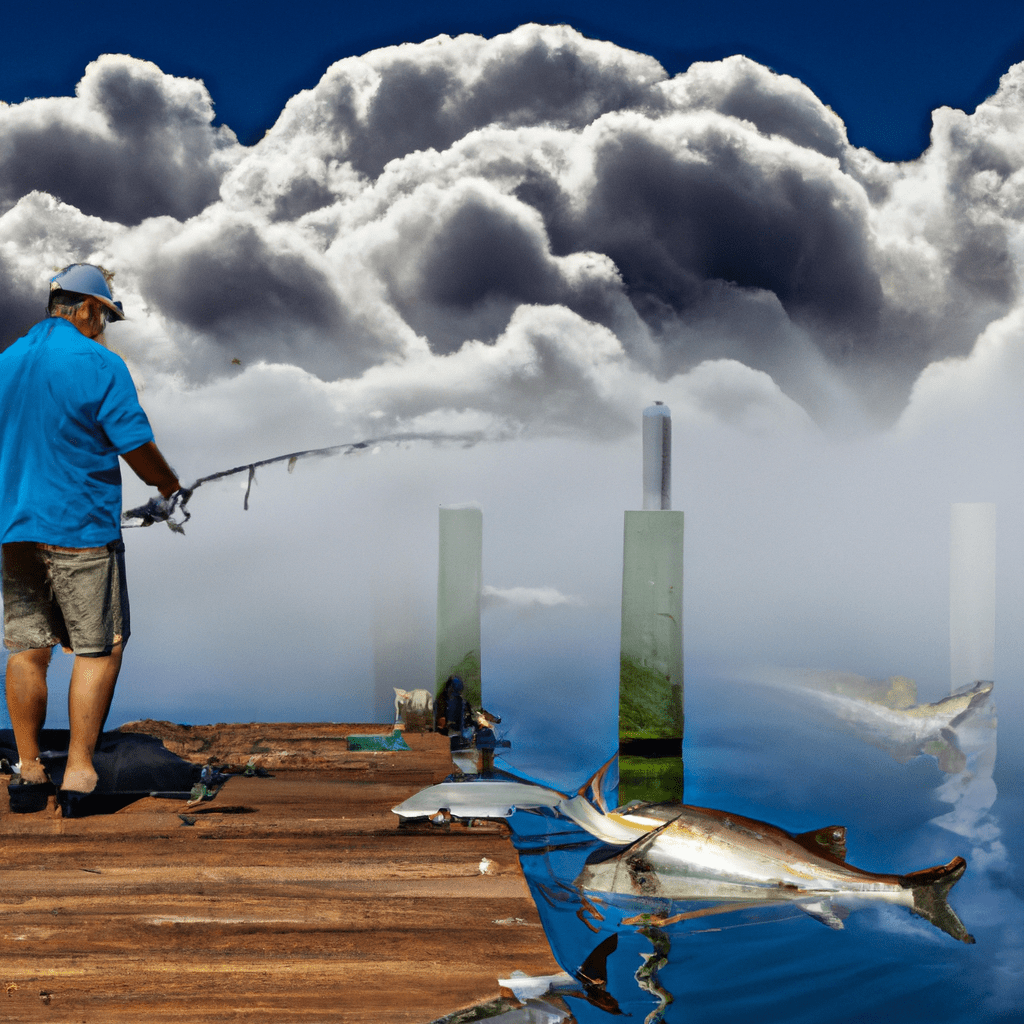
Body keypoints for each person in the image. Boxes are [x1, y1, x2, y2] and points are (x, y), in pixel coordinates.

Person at [0, 264, 183, 795]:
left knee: (28, 648)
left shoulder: (6, 361)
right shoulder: (100, 363)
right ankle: (79, 771)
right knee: (99, 646)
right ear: (86, 308)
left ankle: (29, 770)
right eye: (105, 315)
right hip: (80, 531)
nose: (104, 326)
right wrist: (169, 487)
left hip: (14, 530)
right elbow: (136, 447)